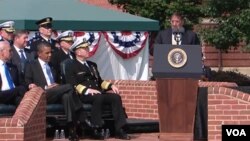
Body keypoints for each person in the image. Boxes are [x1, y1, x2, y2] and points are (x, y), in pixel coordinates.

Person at [64, 37, 131, 140]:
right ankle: (95, 128)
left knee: (116, 97)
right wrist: (88, 90)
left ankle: (120, 129)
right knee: (98, 97)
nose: (88, 50)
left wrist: (110, 86)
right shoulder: (71, 66)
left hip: (97, 92)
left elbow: (100, 81)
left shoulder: (92, 65)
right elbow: (72, 84)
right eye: (85, 49)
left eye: (87, 48)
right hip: (83, 95)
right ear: (78, 52)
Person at [24, 42, 82, 141]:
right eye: (47, 53)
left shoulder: (51, 65)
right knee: (69, 86)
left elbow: (59, 81)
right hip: (43, 94)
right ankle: (80, 110)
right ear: (39, 53)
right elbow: (28, 82)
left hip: (56, 93)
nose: (50, 55)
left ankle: (72, 129)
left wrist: (57, 86)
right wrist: (46, 87)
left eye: (50, 52)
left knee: (67, 96)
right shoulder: (31, 65)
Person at [0, 41, 26, 107]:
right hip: (2, 95)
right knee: (19, 90)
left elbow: (22, 83)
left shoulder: (13, 67)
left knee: (21, 100)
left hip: (14, 96)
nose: (12, 52)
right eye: (10, 50)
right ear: (1, 52)